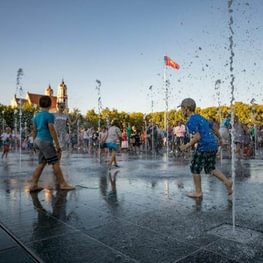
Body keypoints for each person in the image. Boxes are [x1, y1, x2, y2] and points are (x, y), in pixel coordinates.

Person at [179, 98, 232, 199]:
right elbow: (213, 127)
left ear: (186, 109)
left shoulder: (190, 121)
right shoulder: (201, 117)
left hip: (204, 146)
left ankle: (198, 192)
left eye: (182, 108)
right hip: (213, 144)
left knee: (195, 167)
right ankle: (227, 181)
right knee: (210, 168)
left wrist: (186, 145)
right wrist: (220, 138)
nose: (181, 111)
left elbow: (197, 137)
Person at [29, 95, 75, 192]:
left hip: (38, 141)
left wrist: (33, 142)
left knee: (41, 163)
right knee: (55, 163)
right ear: (50, 105)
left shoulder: (36, 115)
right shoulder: (49, 115)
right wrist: (57, 145)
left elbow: (34, 130)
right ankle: (63, 184)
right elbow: (52, 129)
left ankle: (33, 185)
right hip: (45, 141)